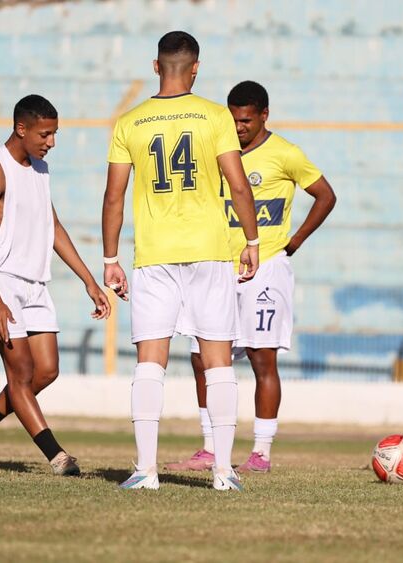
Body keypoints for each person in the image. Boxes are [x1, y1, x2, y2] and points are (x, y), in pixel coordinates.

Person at [102, 31, 260, 491]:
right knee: (219, 363)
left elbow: (114, 196)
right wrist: (251, 240)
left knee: (150, 363)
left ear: (156, 66)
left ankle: (146, 471)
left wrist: (110, 257)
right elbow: (239, 183)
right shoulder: (214, 115)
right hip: (211, 252)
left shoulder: (129, 121)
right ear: (196, 68)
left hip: (154, 256)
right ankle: (225, 472)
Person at [165, 81, 336, 474]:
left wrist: (294, 242)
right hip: (216, 266)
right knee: (200, 358)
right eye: (233, 119)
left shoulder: (285, 154)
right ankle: (210, 447)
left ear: (263, 115)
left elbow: (326, 195)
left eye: (246, 120)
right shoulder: (218, 151)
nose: (238, 127)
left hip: (265, 269)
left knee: (263, 360)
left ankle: (261, 452)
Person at [0, 94, 111, 476]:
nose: (51, 142)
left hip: (36, 281)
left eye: (54, 133)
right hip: (2, 281)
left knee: (46, 371)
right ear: (21, 128)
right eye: (45, 133)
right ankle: (57, 457)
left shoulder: (41, 169)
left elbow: (52, 227)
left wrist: (89, 281)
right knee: (21, 373)